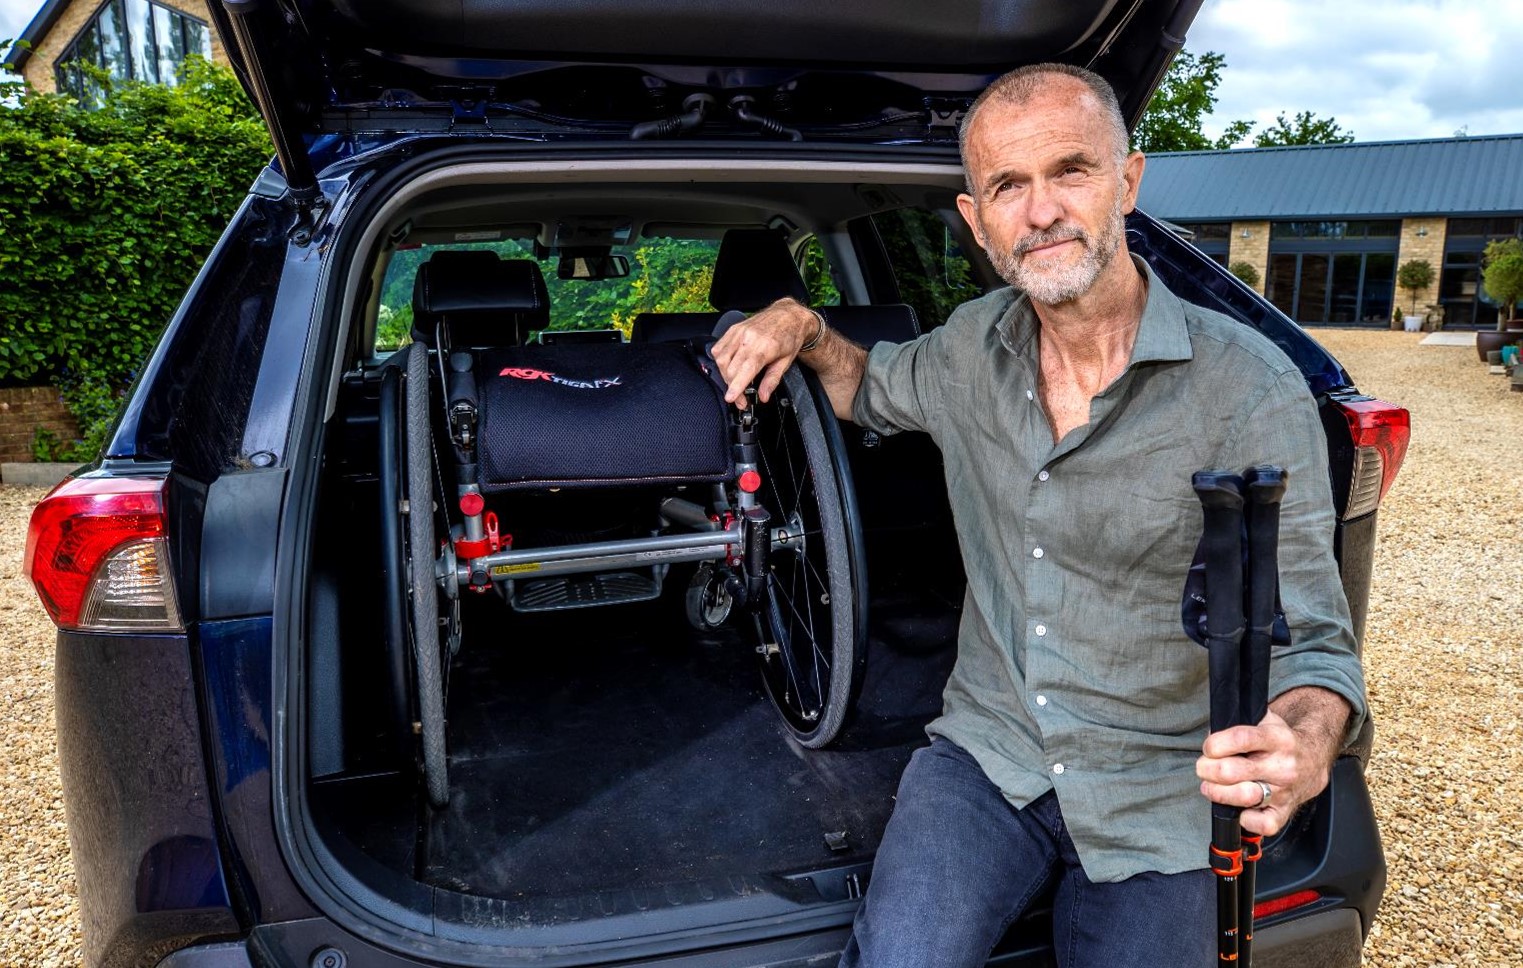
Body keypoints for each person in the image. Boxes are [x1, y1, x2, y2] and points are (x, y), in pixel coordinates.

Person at [710, 63, 1367, 967]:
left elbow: (1315, 643)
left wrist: (1300, 740)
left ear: (1127, 181)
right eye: (1006, 186)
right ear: (975, 221)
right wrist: (802, 325)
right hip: (991, 751)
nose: (1041, 210)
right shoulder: (968, 347)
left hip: (1164, 785)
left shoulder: (1248, 387)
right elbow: (866, 386)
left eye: (1071, 170)